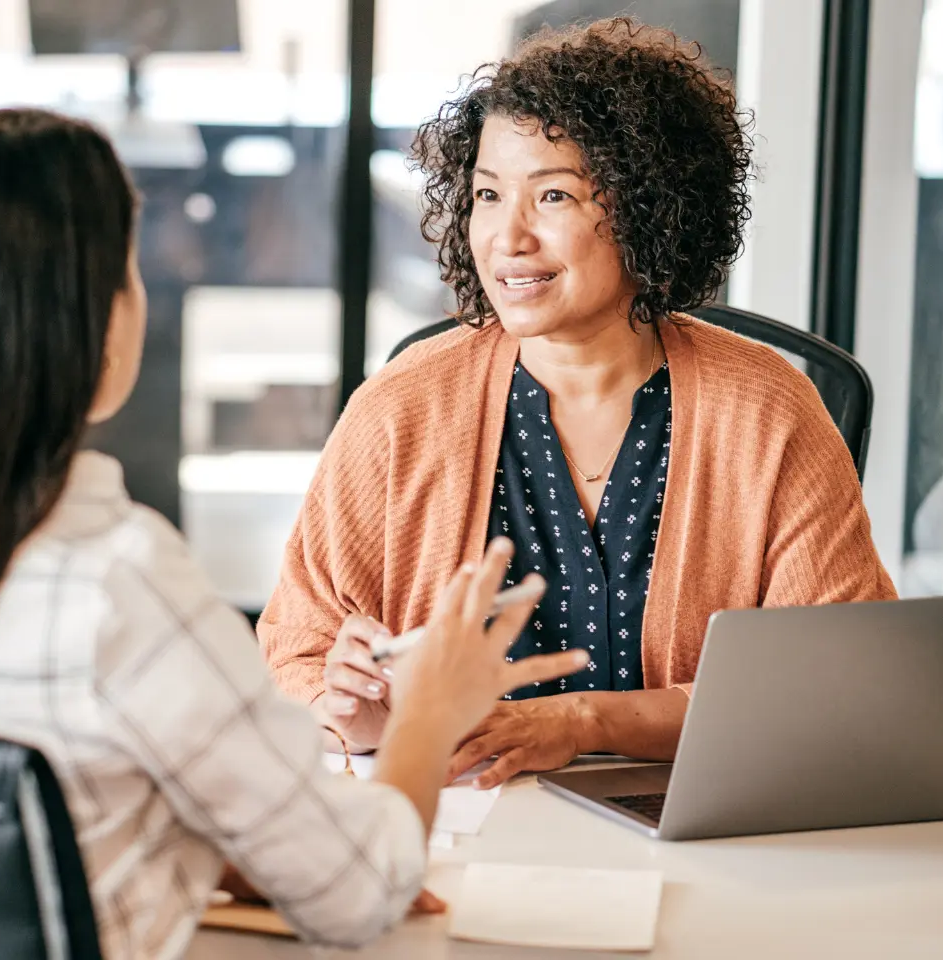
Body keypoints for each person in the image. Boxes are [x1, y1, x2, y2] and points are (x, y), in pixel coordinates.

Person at [0, 108, 586, 960]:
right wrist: (428, 716)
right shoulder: (118, 585)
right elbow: (359, 892)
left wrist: (220, 848)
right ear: (91, 324)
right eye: (130, 269)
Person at [259, 18, 896, 790]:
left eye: (553, 194)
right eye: (488, 195)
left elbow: (830, 681)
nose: (508, 237)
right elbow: (298, 650)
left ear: (647, 206)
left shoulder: (768, 408)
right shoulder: (401, 407)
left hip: (691, 825)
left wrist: (585, 721)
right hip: (452, 819)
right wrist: (350, 709)